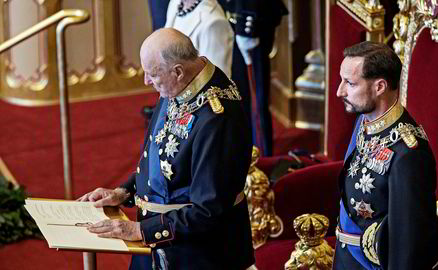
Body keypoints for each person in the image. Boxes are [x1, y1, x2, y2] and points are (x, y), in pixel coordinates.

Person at [79, 28, 255, 270]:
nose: (146, 81)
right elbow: (160, 158)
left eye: (152, 74)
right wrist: (123, 192)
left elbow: (208, 210)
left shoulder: (217, 118)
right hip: (160, 239)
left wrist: (140, 229)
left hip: (199, 254)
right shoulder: (180, 83)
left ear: (178, 71)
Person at [333, 41, 438, 269]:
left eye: (350, 83)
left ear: (379, 87)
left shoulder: (408, 154)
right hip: (346, 258)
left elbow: (408, 246)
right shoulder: (365, 121)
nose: (339, 91)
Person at [142, 0, 233, 121]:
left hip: (198, 114)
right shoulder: (175, 4)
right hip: (174, 100)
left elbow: (216, 85)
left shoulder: (213, 22)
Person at [218, 0, 288, 156]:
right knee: (241, 92)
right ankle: (247, 149)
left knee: (254, 95)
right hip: (234, 19)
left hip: (251, 22)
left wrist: (247, 23)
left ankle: (260, 157)